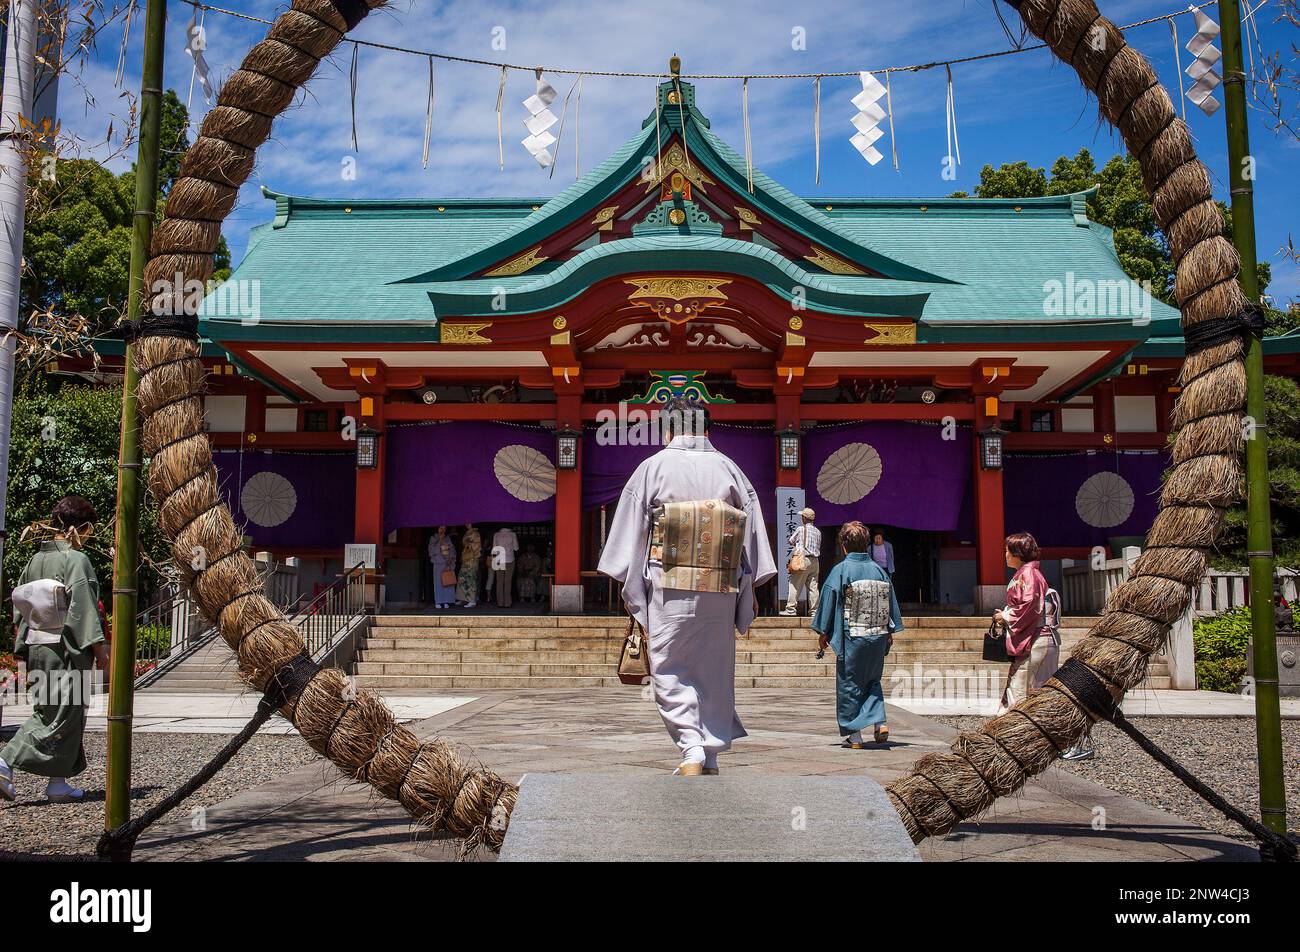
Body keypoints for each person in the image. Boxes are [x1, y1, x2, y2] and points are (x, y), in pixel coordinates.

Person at [599, 396, 775, 776]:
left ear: (668, 429)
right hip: (721, 582)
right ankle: (709, 753)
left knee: (669, 665)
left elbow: (633, 530)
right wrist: (750, 588)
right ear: (708, 430)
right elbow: (750, 533)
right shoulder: (730, 468)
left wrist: (631, 582)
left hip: (669, 580)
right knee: (715, 667)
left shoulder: (652, 467)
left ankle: (692, 747)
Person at [0, 495, 109, 803]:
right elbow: (83, 607)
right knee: (62, 714)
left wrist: (22, 642)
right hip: (65, 648)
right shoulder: (76, 560)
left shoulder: (36, 559)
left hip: (38, 644)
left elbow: (20, 605)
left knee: (51, 708)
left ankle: (57, 782)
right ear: (84, 527)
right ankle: (5, 760)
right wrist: (98, 648)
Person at [812, 521, 902, 748]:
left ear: (844, 546)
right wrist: (890, 631)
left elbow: (830, 599)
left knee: (850, 683)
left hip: (852, 635)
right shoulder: (879, 571)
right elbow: (890, 603)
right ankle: (879, 721)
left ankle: (855, 735)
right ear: (866, 544)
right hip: (878, 634)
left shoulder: (841, 570)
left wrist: (823, 632)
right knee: (872, 679)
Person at [994, 532, 1061, 715]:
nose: (1005, 555)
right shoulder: (1028, 573)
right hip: (1038, 637)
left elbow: (1029, 604)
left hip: (1036, 638)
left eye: (1007, 551)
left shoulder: (1029, 574)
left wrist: (1005, 616)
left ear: (1017, 553)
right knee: (1036, 693)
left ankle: (1015, 736)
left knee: (1021, 692)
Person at [780, 507, 821, 617]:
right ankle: (815, 612)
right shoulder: (818, 532)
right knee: (813, 587)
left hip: (804, 559)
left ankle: (791, 609)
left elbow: (791, 541)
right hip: (815, 561)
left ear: (804, 518)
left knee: (794, 583)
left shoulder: (800, 529)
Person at [427, 526, 457, 609]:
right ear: (437, 528)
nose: (442, 530)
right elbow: (431, 551)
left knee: (447, 582)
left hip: (447, 563)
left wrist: (451, 558)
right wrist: (440, 540)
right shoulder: (433, 538)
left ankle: (446, 601)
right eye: (441, 528)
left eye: (444, 528)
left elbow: (452, 549)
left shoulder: (447, 538)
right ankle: (438, 601)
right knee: (438, 582)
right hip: (438, 562)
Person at [491, 524, 519, 607]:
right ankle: (507, 603)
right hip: (510, 559)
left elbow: (494, 548)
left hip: (499, 559)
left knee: (499, 581)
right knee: (508, 581)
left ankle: (500, 602)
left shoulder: (496, 534)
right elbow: (516, 548)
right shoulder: (512, 534)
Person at [456, 523, 481, 608]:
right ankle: (463, 598)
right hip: (466, 558)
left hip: (472, 559)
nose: (467, 524)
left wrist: (469, 544)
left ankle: (472, 600)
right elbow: (465, 544)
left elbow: (477, 546)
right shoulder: (467, 533)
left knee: (471, 578)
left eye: (469, 523)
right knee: (462, 577)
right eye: (466, 522)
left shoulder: (476, 533)